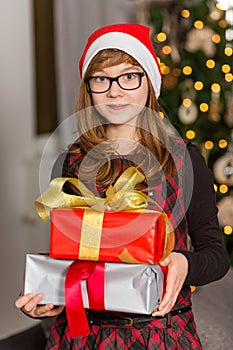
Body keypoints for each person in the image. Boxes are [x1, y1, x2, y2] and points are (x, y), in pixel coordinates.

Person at [15, 23, 229, 349]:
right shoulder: (70, 163)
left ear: (149, 84)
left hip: (162, 335)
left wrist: (184, 263)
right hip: (81, 336)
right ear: (88, 88)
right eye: (101, 78)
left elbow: (216, 257)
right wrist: (50, 296)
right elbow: (73, 258)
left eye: (129, 76)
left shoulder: (184, 161)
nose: (115, 91)